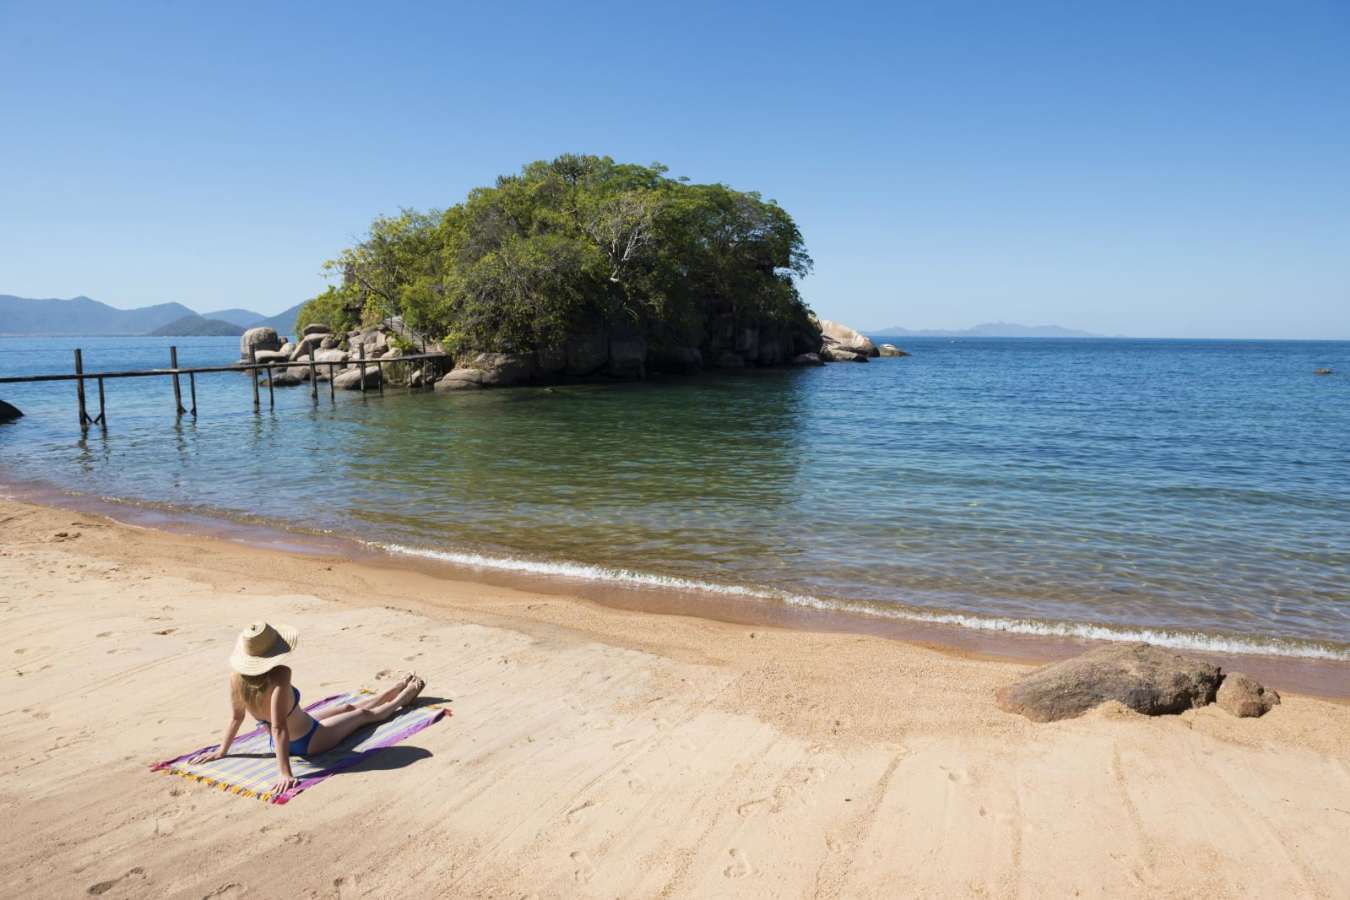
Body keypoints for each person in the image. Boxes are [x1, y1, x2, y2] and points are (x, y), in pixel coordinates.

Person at [191, 621, 425, 797]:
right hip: (309, 740)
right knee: (362, 716)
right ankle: (400, 699)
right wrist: (285, 772)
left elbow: (236, 718)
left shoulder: (236, 678)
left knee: (346, 706)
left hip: (293, 732)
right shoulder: (281, 675)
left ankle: (391, 690)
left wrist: (222, 751)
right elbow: (279, 727)